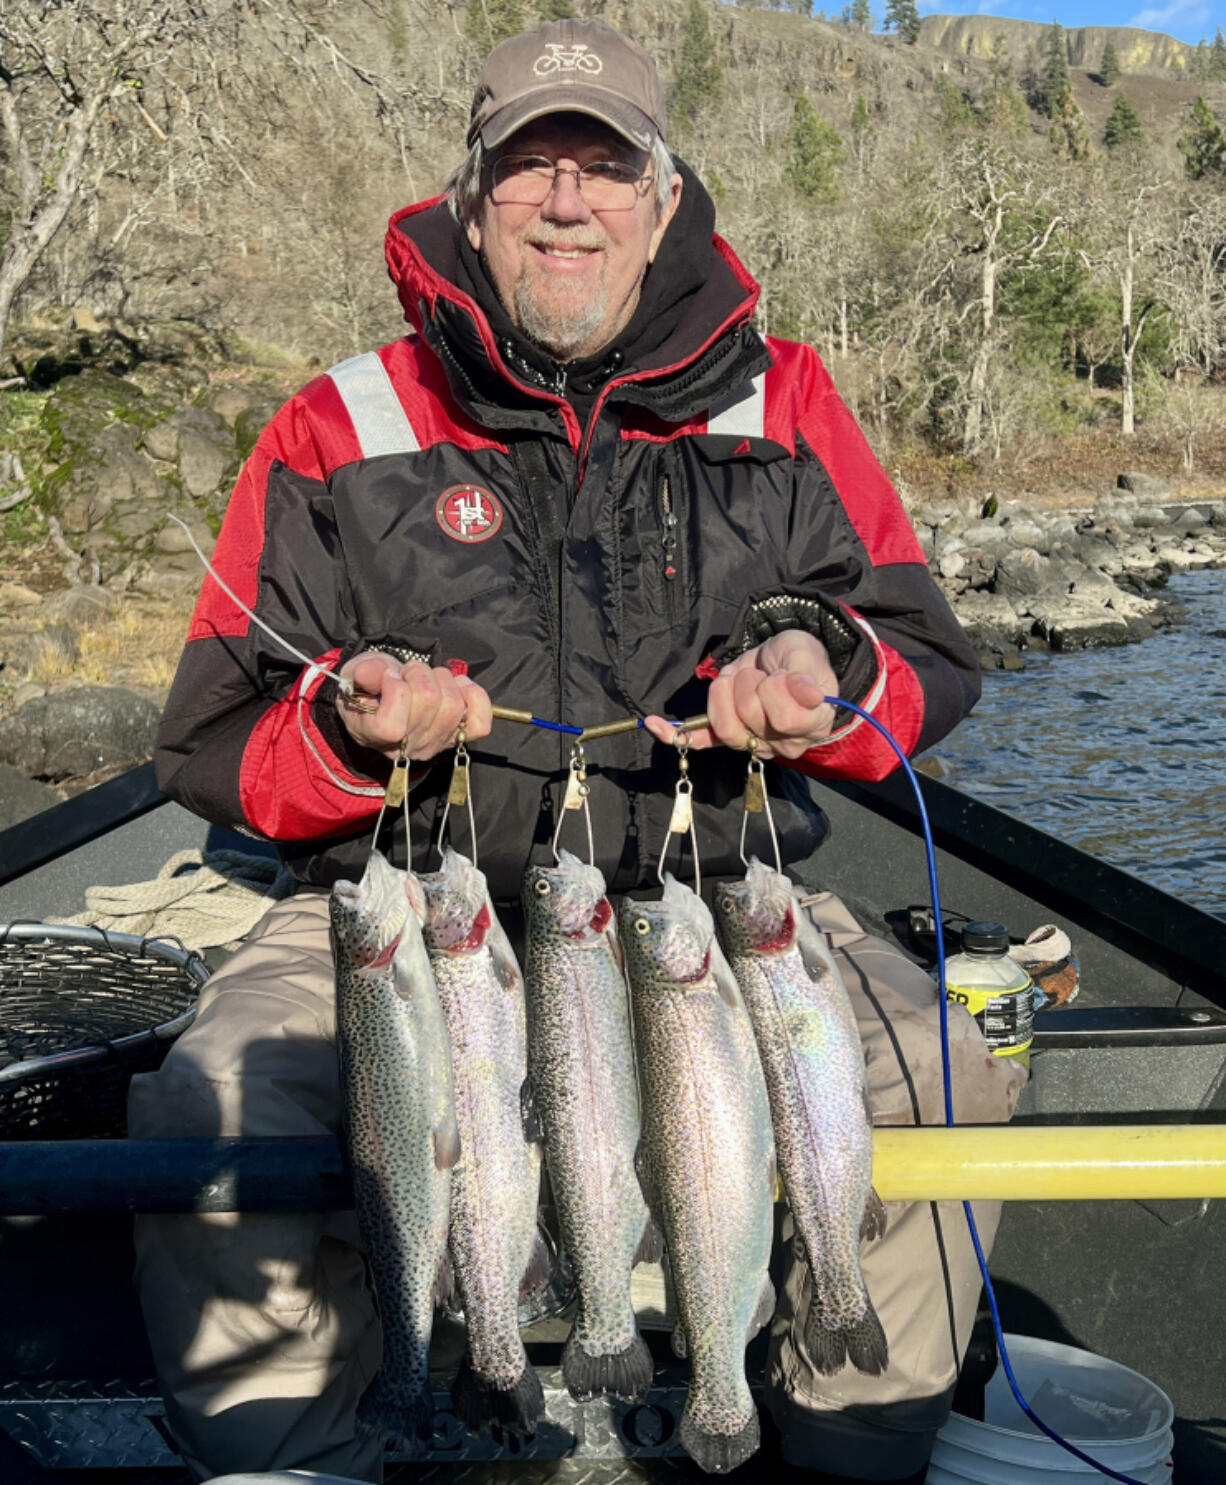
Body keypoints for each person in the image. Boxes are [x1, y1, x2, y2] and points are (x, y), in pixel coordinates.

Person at [131, 18, 1025, 1484]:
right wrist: (353, 733)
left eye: (602, 166)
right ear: (472, 198)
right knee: (197, 1109)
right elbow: (210, 743)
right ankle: (300, 1450)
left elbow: (923, 663)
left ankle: (844, 1435)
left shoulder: (785, 404)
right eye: (529, 167)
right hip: (405, 917)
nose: (566, 201)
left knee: (947, 1072)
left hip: (724, 901)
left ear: (664, 199)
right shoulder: (335, 424)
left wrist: (826, 671)